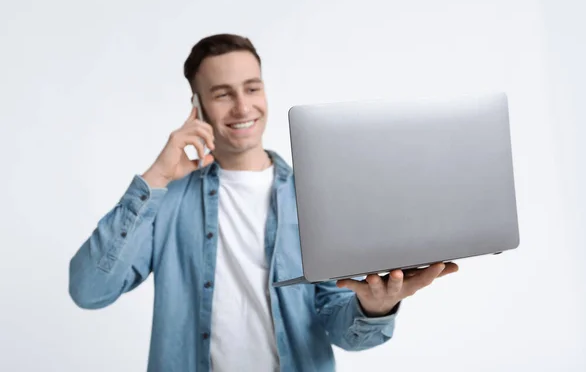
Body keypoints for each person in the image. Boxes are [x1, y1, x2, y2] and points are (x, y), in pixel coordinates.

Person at [68, 33, 458, 372]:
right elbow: (89, 290)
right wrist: (155, 177)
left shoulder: (317, 197)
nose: (242, 107)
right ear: (197, 106)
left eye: (252, 88)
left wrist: (376, 308)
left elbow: (350, 336)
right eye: (223, 94)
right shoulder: (164, 200)